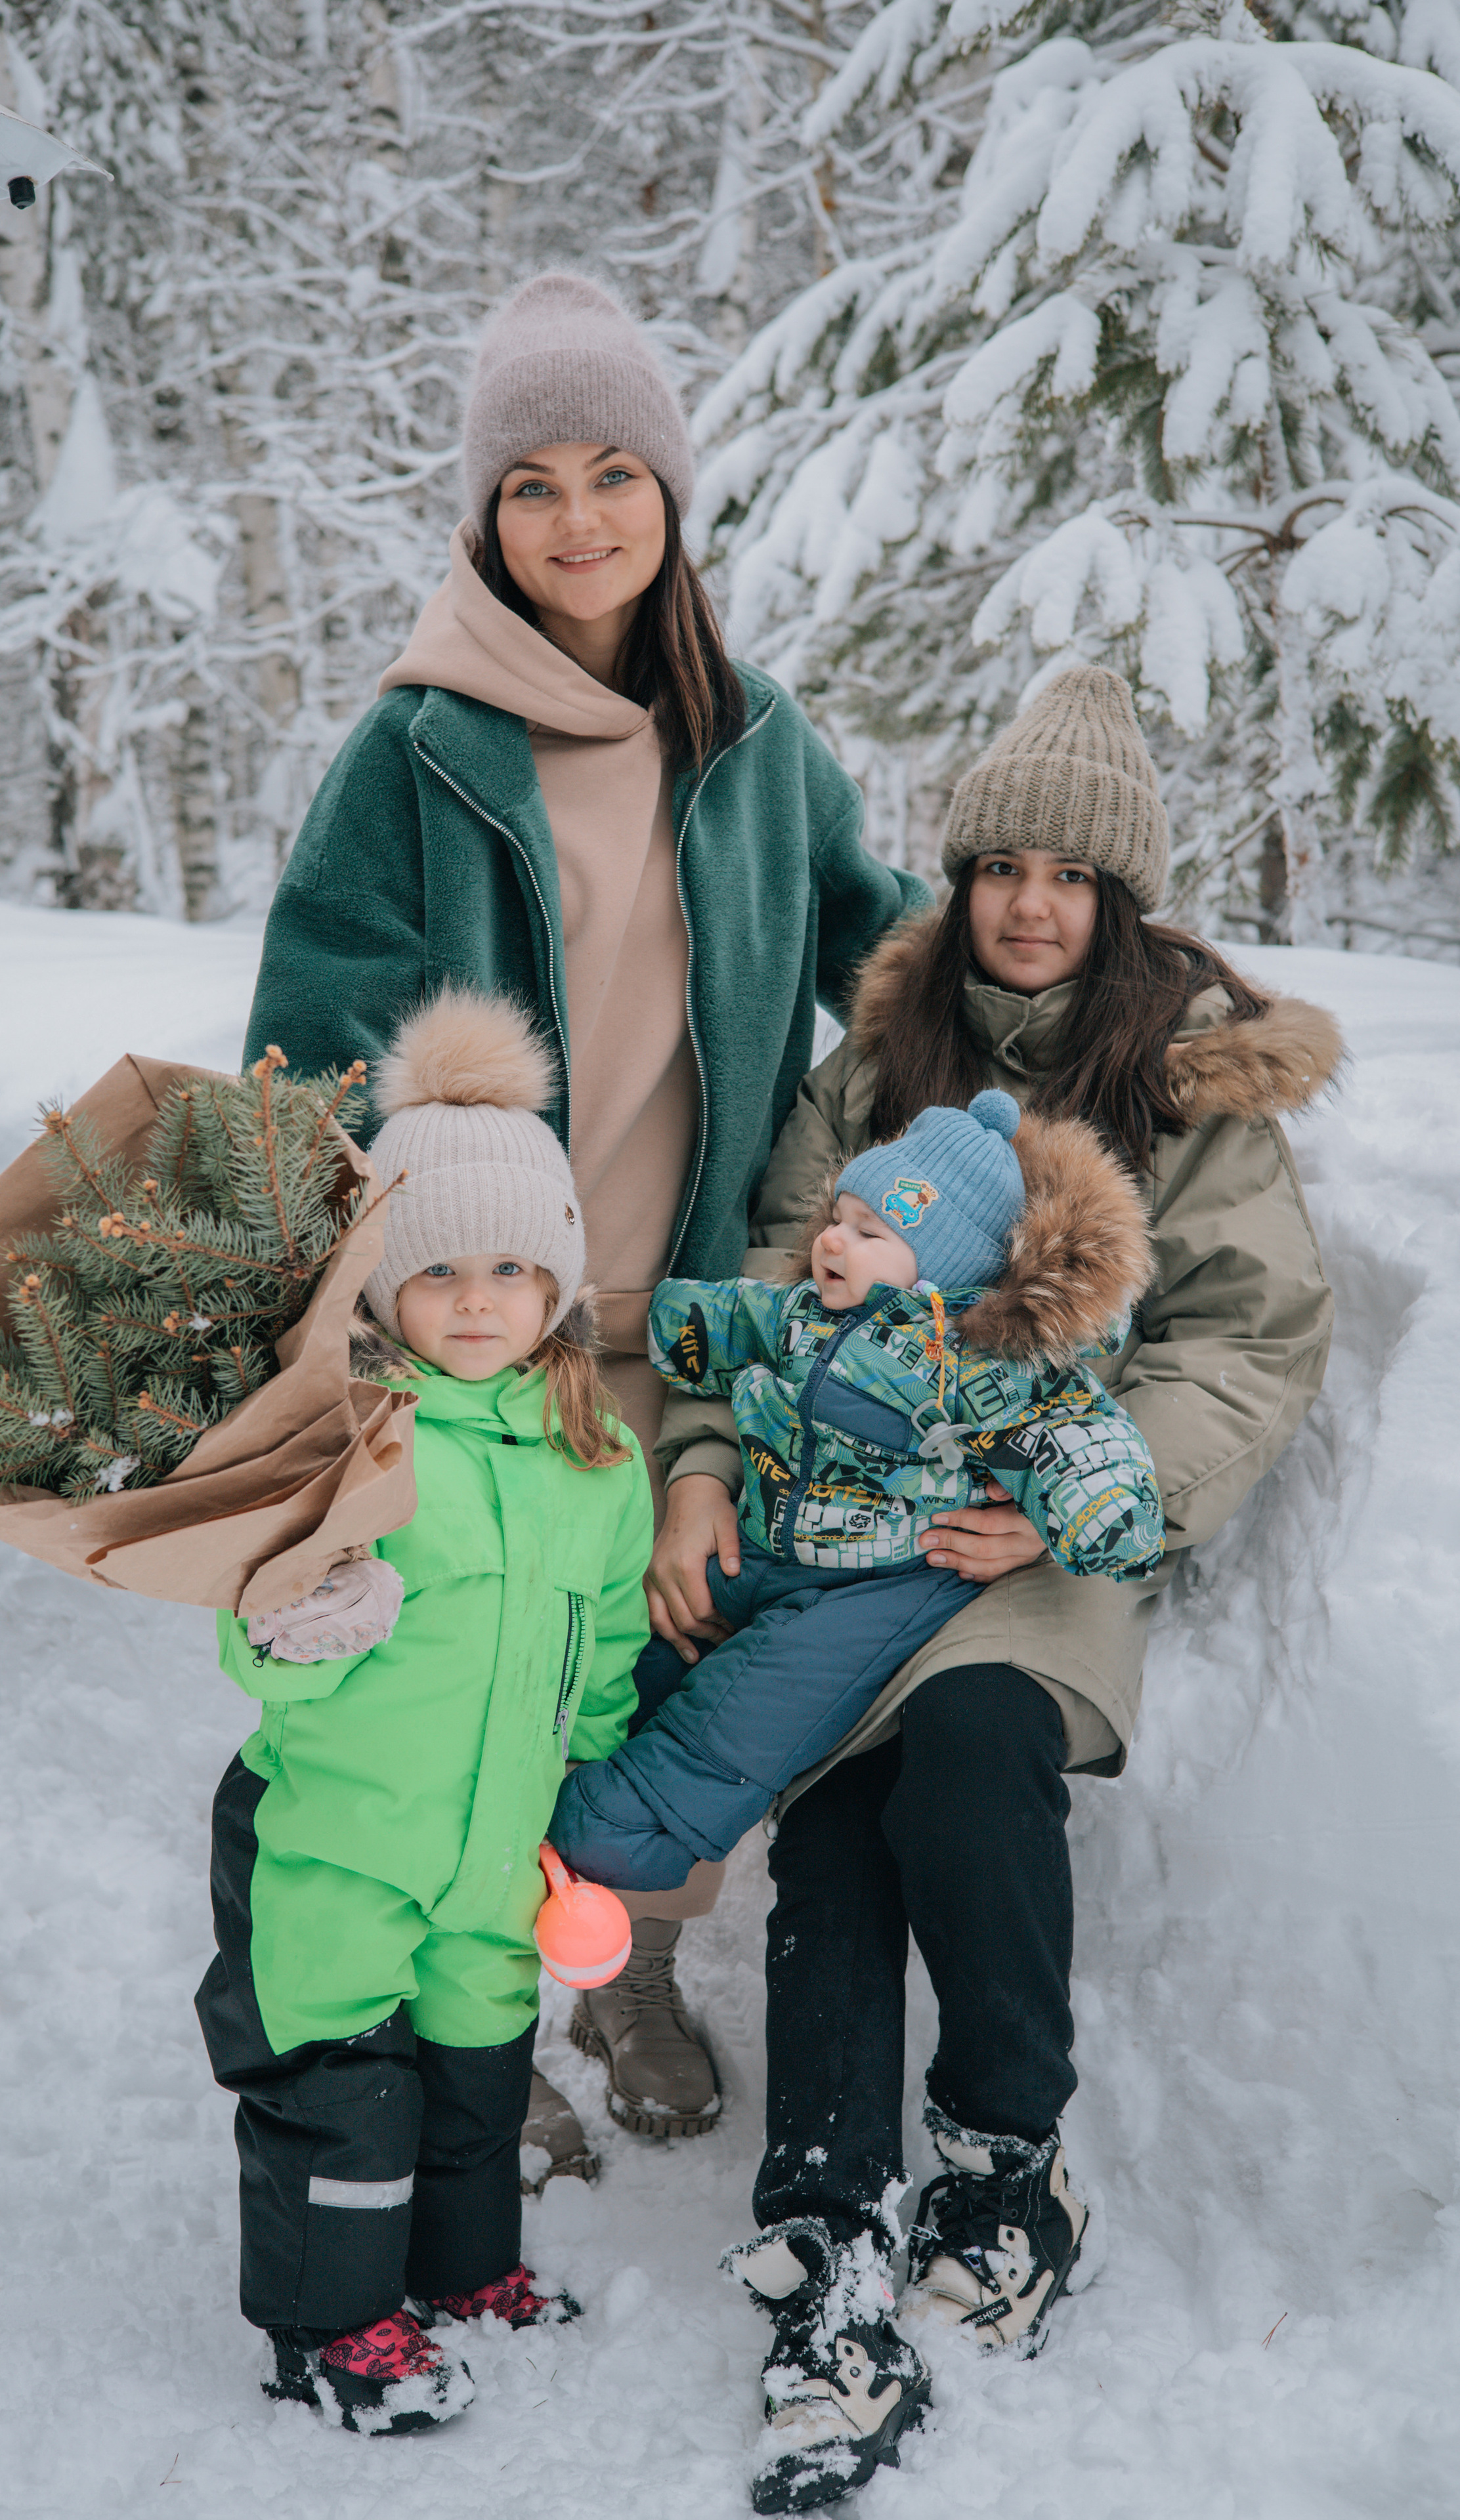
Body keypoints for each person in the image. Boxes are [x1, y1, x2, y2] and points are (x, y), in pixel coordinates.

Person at [242, 270, 930, 2154]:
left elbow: (894, 964)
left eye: (614, 471)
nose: (578, 518)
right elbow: (306, 1037)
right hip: (474, 1317)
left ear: (671, 495)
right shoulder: (420, 751)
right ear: (484, 517)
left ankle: (622, 1963)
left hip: (684, 1313)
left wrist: (1124, 1020)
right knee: (476, 1662)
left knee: (655, 1652)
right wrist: (319, 1317)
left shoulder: (757, 741)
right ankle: (472, 2013)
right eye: (530, 483)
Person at [652, 666, 1342, 2514]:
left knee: (964, 1750)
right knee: (842, 1809)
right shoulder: (881, 1058)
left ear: (1119, 900)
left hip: (1040, 1519)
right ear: (957, 882)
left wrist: (1078, 1513)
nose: (1030, 904)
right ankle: (827, 2230)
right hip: (849, 1519)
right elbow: (769, 1280)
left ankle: (1005, 2156)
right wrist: (708, 1465)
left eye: (1070, 875)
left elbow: (1247, 1334)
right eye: (998, 866)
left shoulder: (1183, 1084)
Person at [194, 993, 653, 2436]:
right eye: (437, 1267)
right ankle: (331, 2326)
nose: (475, 1300)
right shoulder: (347, 1438)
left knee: (474, 2075)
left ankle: (464, 2277)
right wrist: (304, 1626)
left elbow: (612, 1629)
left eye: (512, 1268)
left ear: (558, 1280)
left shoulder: (599, 1453)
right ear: (380, 1279)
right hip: (336, 1839)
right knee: (345, 2091)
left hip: (494, 1856)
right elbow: (256, 1647)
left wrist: (588, 1778)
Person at [551, 1089, 1165, 1893]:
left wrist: (1105, 1512)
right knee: (652, 1640)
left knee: (754, 1706)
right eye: (839, 1217)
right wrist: (568, 1319)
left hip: (879, 1586)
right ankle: (543, 1771)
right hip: (768, 1542)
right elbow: (714, 1322)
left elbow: (1080, 1435)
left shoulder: (982, 1367)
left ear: (943, 1265)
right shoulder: (805, 1314)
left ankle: (623, 1834)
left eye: (869, 1232)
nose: (833, 1238)